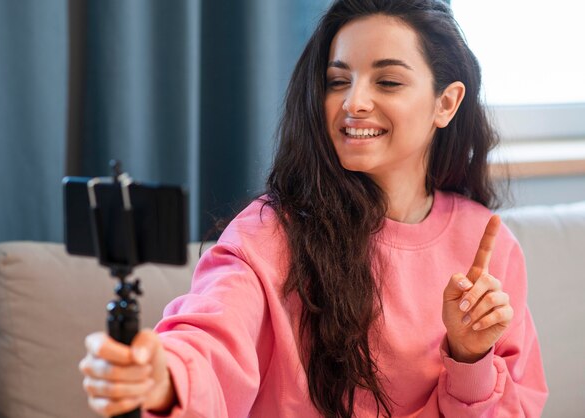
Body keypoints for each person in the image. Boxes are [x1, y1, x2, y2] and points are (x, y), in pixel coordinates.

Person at [79, 0, 548, 416]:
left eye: (387, 81)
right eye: (337, 80)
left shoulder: (486, 246)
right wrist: (164, 378)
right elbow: (210, 337)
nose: (353, 102)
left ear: (446, 103)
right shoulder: (269, 234)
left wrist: (469, 359)